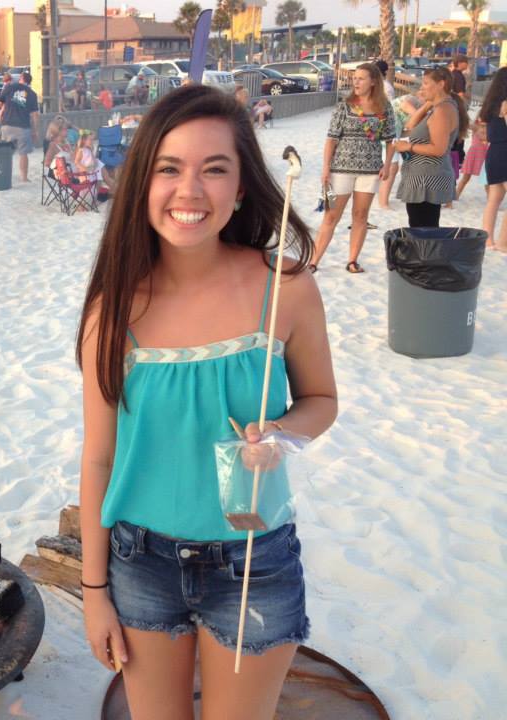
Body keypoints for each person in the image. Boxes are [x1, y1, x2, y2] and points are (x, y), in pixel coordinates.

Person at [75, 85, 336, 720]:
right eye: (169, 168)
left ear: (241, 187)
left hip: (255, 561)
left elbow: (321, 400)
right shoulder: (113, 310)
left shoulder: (286, 289)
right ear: (142, 183)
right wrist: (93, 590)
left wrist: (281, 434)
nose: (189, 191)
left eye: (213, 169)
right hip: (141, 562)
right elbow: (100, 460)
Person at [313, 63, 395, 273]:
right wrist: (326, 169)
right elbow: (331, 139)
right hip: (340, 169)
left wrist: (387, 165)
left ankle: (352, 260)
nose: (356, 82)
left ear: (373, 81)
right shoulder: (345, 105)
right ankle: (313, 261)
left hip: (370, 171)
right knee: (331, 215)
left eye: (361, 78)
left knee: (360, 215)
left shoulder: (384, 107)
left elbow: (390, 140)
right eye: (355, 78)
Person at [394, 67, 469, 228]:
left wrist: (409, 146)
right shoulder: (439, 107)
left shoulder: (443, 110)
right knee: (422, 227)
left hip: (428, 179)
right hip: (423, 177)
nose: (422, 87)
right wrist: (428, 104)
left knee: (423, 230)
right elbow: (410, 124)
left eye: (426, 83)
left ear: (441, 84)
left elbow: (438, 149)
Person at [377, 93, 423, 209]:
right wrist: (422, 117)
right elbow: (404, 105)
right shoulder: (412, 99)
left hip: (393, 134)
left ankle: (383, 199)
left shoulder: (418, 107)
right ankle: (383, 202)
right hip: (386, 131)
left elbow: (405, 130)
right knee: (392, 167)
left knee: (391, 167)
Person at [479, 67, 507, 250]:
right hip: (505, 150)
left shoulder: (491, 104)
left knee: (493, 200)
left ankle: (487, 239)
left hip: (494, 151)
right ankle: (504, 243)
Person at [0, 72, 40, 183]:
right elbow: (34, 114)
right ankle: (24, 178)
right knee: (23, 153)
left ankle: (4, 176)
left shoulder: (9, 88)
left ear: (20, 79)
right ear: (29, 82)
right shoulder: (31, 93)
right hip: (23, 127)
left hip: (7, 124)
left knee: (6, 153)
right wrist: (35, 130)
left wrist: (3, 111)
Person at [455, 118, 488, 200]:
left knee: (486, 179)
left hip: (485, 153)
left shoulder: (490, 127)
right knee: (466, 177)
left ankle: (491, 199)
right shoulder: (476, 126)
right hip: (474, 153)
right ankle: (456, 195)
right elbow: (466, 124)